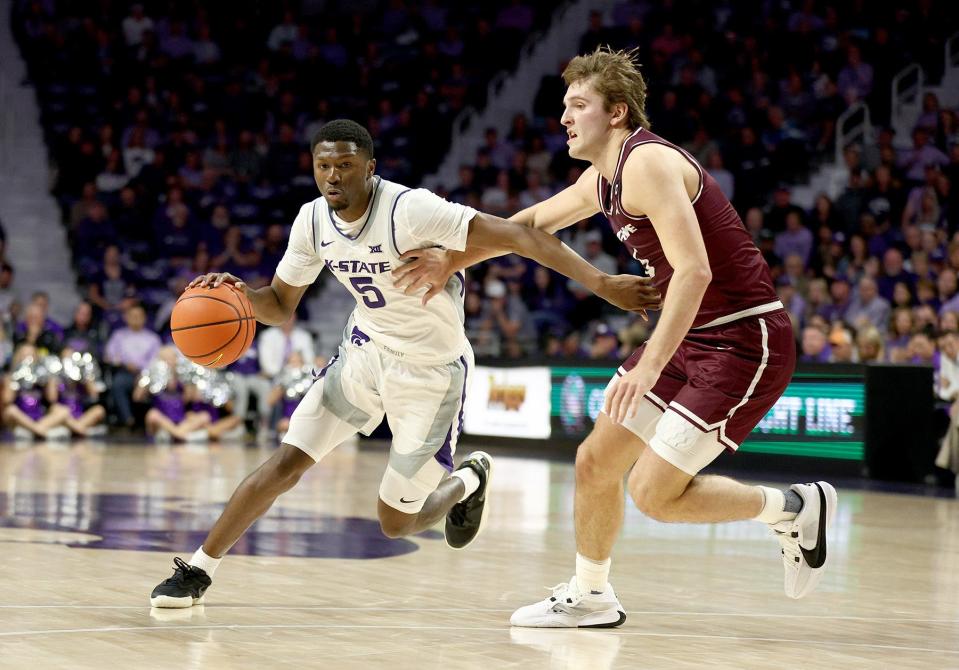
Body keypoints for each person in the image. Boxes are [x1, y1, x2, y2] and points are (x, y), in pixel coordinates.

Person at [395, 48, 837, 627]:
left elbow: (696, 272)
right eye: (564, 106)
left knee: (654, 494)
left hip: (742, 338)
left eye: (579, 105)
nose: (564, 118)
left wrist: (650, 366)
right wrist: (452, 260)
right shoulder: (600, 179)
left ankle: (797, 506)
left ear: (618, 113)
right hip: (688, 337)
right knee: (595, 462)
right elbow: (526, 227)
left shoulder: (646, 163)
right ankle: (592, 595)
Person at [149, 119, 660, 608]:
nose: (332, 175)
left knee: (395, 522)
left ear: (370, 168)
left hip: (432, 375)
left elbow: (518, 236)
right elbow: (280, 305)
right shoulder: (311, 220)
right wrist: (240, 296)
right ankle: (199, 569)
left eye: (345, 165)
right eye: (323, 166)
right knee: (286, 461)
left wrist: (602, 283)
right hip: (364, 354)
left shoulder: (410, 209)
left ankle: (468, 478)